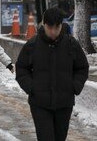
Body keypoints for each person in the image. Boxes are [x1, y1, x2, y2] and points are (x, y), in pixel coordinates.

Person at [16, 7, 89, 141]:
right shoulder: (32, 45)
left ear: (62, 25)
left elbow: (82, 68)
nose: (53, 31)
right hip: (40, 104)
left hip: (64, 103)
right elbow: (21, 69)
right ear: (44, 25)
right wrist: (31, 88)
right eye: (50, 28)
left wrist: (74, 86)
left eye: (57, 27)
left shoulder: (71, 44)